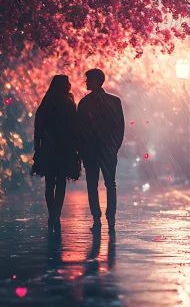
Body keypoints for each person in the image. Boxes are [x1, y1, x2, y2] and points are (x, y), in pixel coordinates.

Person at [77, 69, 124, 233]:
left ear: (96, 81)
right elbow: (120, 128)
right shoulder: (114, 101)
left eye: (88, 79)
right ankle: (111, 218)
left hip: (91, 150)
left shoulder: (84, 103)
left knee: (92, 185)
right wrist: (114, 146)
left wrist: (82, 149)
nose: (86, 82)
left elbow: (80, 129)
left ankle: (96, 218)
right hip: (107, 149)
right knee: (110, 184)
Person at [31, 75, 81, 231]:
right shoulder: (69, 104)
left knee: (49, 182)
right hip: (64, 148)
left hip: (48, 148)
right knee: (61, 182)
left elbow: (38, 128)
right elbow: (74, 128)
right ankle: (56, 214)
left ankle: (51, 212)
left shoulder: (45, 103)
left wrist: (41, 145)